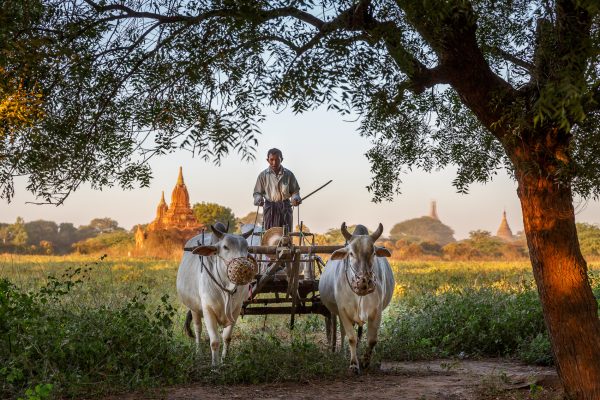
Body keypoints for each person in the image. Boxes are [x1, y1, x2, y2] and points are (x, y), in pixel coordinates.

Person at [253, 148, 301, 233]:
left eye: (277, 160)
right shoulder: (262, 176)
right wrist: (258, 199)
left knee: (286, 235)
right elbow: (257, 193)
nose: (274, 163)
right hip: (269, 209)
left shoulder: (289, 175)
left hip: (285, 208)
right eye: (271, 160)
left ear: (281, 159)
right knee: (268, 236)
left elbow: (295, 191)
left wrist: (295, 199)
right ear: (267, 160)